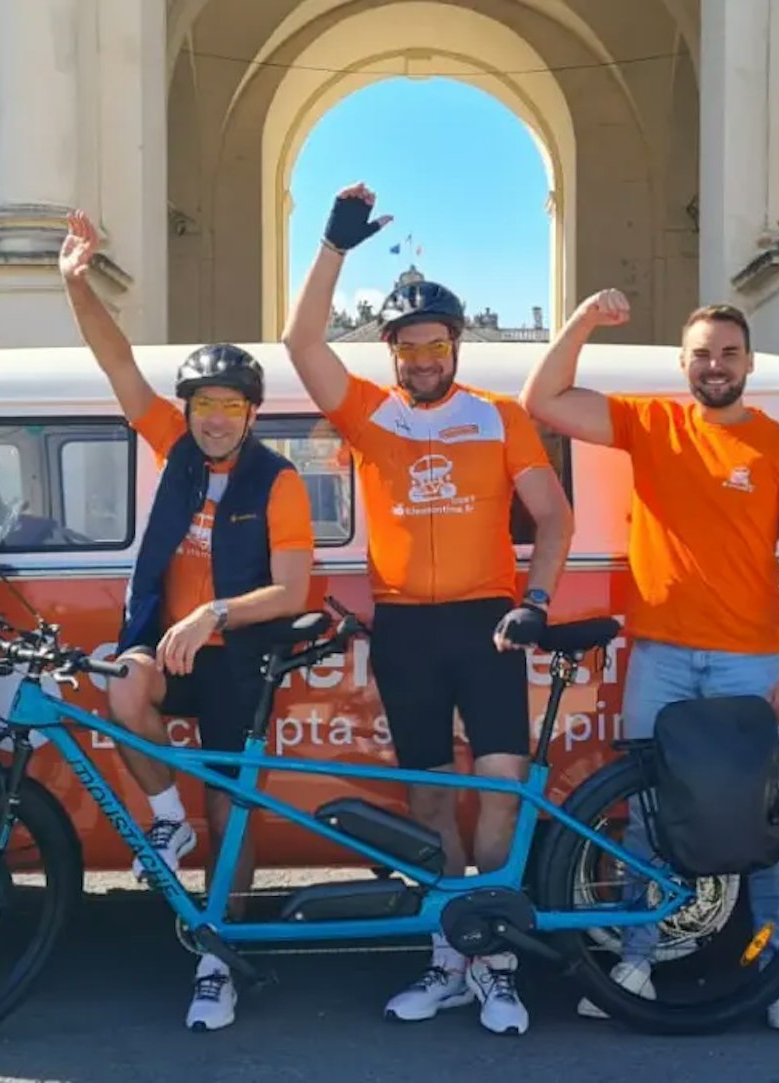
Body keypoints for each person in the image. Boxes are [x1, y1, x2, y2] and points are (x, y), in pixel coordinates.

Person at [281, 184, 574, 1036]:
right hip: (405, 626)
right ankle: (452, 951)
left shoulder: (501, 415)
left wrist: (540, 600)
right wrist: (333, 248)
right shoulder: (373, 414)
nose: (420, 358)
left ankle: (495, 957)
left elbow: (554, 517)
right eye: (406, 346)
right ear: (392, 352)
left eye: (434, 343)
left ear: (454, 344)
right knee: (430, 805)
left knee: (502, 794)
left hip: (488, 620)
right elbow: (302, 343)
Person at [519, 289, 779, 1031]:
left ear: (747, 362)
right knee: (646, 816)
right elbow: (543, 397)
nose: (715, 366)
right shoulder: (651, 423)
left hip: (753, 662)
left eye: (727, 353)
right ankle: (636, 960)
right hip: (663, 654)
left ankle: (774, 968)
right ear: (682, 364)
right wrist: (584, 320)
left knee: (770, 822)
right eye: (701, 355)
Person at [59, 210, 314, 1031]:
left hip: (238, 654)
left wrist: (213, 612)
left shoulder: (279, 482)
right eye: (202, 402)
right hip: (164, 645)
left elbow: (293, 588)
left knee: (231, 810)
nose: (212, 417)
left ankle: (218, 958)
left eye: (229, 405)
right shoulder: (170, 445)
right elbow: (119, 365)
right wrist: (76, 282)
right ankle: (163, 824)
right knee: (124, 691)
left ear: (251, 413)